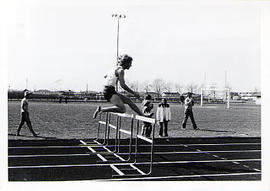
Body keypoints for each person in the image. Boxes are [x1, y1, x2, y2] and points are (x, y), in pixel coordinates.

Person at [93, 54, 143, 118]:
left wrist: (113, 79)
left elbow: (105, 76)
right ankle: (101, 110)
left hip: (109, 89)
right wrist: (134, 93)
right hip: (109, 91)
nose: (131, 65)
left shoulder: (114, 68)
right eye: (130, 63)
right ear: (126, 63)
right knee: (122, 109)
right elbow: (123, 85)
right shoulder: (121, 71)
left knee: (129, 101)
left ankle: (143, 116)